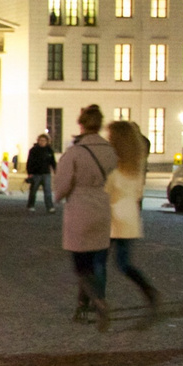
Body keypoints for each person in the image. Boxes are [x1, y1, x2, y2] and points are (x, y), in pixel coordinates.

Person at [55, 105, 115, 331]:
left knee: (81, 266)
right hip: (103, 207)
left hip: (80, 209)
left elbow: (61, 187)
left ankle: (97, 302)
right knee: (97, 262)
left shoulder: (75, 152)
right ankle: (84, 306)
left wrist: (60, 195)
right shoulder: (110, 151)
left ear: (81, 124)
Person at [106, 120, 160, 308]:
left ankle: (91, 301)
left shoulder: (114, 167)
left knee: (97, 261)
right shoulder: (135, 167)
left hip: (112, 218)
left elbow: (106, 192)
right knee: (123, 263)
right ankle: (148, 290)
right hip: (129, 218)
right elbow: (138, 193)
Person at [25, 134, 58, 212]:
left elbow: (52, 162)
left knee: (48, 191)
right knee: (33, 190)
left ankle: (50, 207)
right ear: (38, 141)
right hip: (36, 173)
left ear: (47, 141)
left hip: (46, 173)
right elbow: (29, 162)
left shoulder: (49, 150)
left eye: (44, 141)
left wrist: (55, 170)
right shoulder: (33, 150)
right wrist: (30, 172)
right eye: (40, 140)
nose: (42, 142)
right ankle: (31, 205)